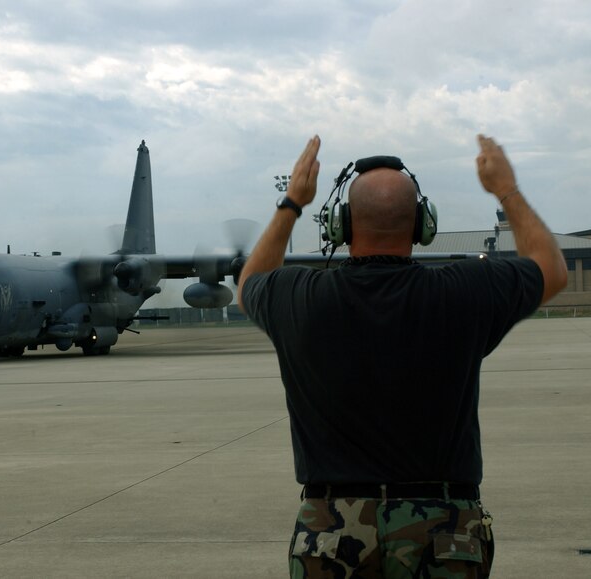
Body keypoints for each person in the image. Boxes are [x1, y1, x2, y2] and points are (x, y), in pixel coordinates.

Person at [238, 134, 567, 578]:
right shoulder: (467, 290)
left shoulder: (297, 296)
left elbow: (249, 282)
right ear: (421, 225)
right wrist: (505, 189)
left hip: (332, 533)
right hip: (444, 531)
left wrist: (293, 201)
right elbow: (552, 270)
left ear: (342, 225)